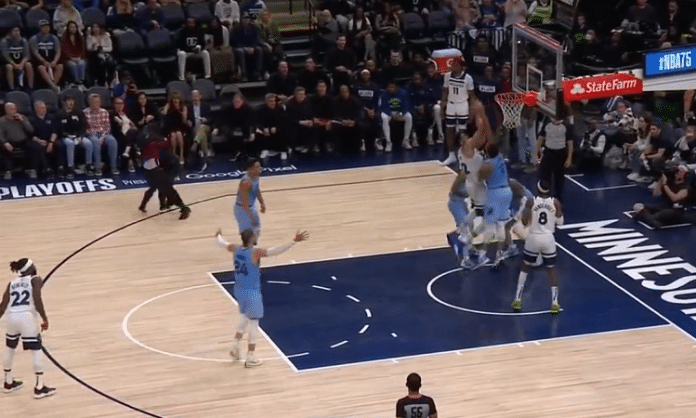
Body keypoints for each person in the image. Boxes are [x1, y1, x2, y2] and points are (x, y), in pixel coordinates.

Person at [215, 228, 309, 367]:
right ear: (252, 239)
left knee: (245, 317)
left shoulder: (236, 248)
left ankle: (235, 346)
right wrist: (293, 241)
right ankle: (250, 356)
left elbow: (222, 243)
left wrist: (218, 236)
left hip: (239, 289)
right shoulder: (255, 252)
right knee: (254, 323)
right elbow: (275, 250)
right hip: (251, 291)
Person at [0, 258, 56, 399]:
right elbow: (37, 298)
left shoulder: (11, 283)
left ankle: (7, 382)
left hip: (11, 316)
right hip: (27, 317)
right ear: (30, 268)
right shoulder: (35, 279)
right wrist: (44, 318)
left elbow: (3, 304)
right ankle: (39, 387)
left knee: (10, 348)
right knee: (36, 350)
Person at [512, 180, 563, 314]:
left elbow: (523, 222)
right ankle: (555, 302)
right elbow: (561, 222)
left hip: (534, 237)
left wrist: (529, 218)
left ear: (538, 189)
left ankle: (517, 299)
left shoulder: (531, 202)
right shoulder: (555, 202)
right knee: (551, 269)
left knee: (525, 267)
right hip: (548, 238)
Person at [475, 142, 514, 268]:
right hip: (507, 191)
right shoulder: (500, 157)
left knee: (490, 224)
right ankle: (500, 252)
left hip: (495, 193)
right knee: (501, 224)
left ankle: (483, 254)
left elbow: (480, 178)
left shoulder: (488, 165)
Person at [441, 56, 475, 166]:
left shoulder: (468, 78)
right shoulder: (447, 76)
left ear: (461, 67)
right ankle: (451, 156)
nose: (452, 67)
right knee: (449, 130)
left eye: (455, 65)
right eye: (452, 65)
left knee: (463, 133)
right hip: (451, 105)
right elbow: (445, 92)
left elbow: (472, 97)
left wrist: (471, 111)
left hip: (462, 105)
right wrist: (442, 108)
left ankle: (463, 156)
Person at [535, 116, 573, 203]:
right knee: (543, 176)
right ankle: (542, 198)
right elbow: (541, 138)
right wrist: (535, 153)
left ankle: (558, 200)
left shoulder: (567, 125)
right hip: (548, 152)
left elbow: (570, 142)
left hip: (560, 154)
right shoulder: (547, 123)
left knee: (559, 179)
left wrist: (569, 158)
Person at [57, 95, 91, 179]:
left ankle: (88, 165)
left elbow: (84, 126)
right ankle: (70, 167)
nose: (71, 103)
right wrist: (67, 135)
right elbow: (58, 129)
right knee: (70, 143)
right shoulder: (60, 113)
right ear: (64, 102)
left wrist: (80, 137)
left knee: (89, 143)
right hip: (65, 137)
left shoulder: (79, 112)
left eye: (72, 101)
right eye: (69, 101)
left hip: (77, 136)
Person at [0, 103, 35, 181]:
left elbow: (31, 130)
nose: (14, 111)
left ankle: (31, 169)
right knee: (5, 149)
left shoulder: (22, 117)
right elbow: (0, 134)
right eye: (11, 109)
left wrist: (22, 121)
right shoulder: (2, 121)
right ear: (6, 110)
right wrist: (5, 142)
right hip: (10, 141)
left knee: (33, 146)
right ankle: (8, 171)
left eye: (15, 109)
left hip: (23, 140)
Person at [378, 80, 414, 152]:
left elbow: (407, 106)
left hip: (400, 112)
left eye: (392, 87)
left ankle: (406, 140)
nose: (390, 89)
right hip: (389, 112)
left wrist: (401, 114)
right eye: (389, 87)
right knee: (384, 117)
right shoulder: (384, 94)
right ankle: (388, 142)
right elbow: (382, 107)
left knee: (409, 117)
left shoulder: (403, 93)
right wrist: (391, 114)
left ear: (397, 87)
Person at [235, 158, 266, 237]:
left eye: (260, 167)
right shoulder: (246, 182)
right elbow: (244, 201)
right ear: (250, 169)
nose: (259, 169)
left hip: (250, 207)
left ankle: (251, 247)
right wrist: (251, 216)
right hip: (242, 209)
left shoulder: (256, 177)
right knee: (247, 236)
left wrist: (262, 203)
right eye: (257, 167)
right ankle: (246, 248)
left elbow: (257, 190)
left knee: (257, 230)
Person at [30, 20, 63, 93]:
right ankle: (54, 87)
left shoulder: (54, 38)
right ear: (40, 28)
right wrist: (43, 61)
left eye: (47, 27)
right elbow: (35, 52)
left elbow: (58, 51)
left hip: (52, 59)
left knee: (60, 67)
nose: (46, 28)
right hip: (41, 61)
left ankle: (52, 86)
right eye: (43, 27)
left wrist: (55, 61)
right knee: (42, 68)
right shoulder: (34, 39)